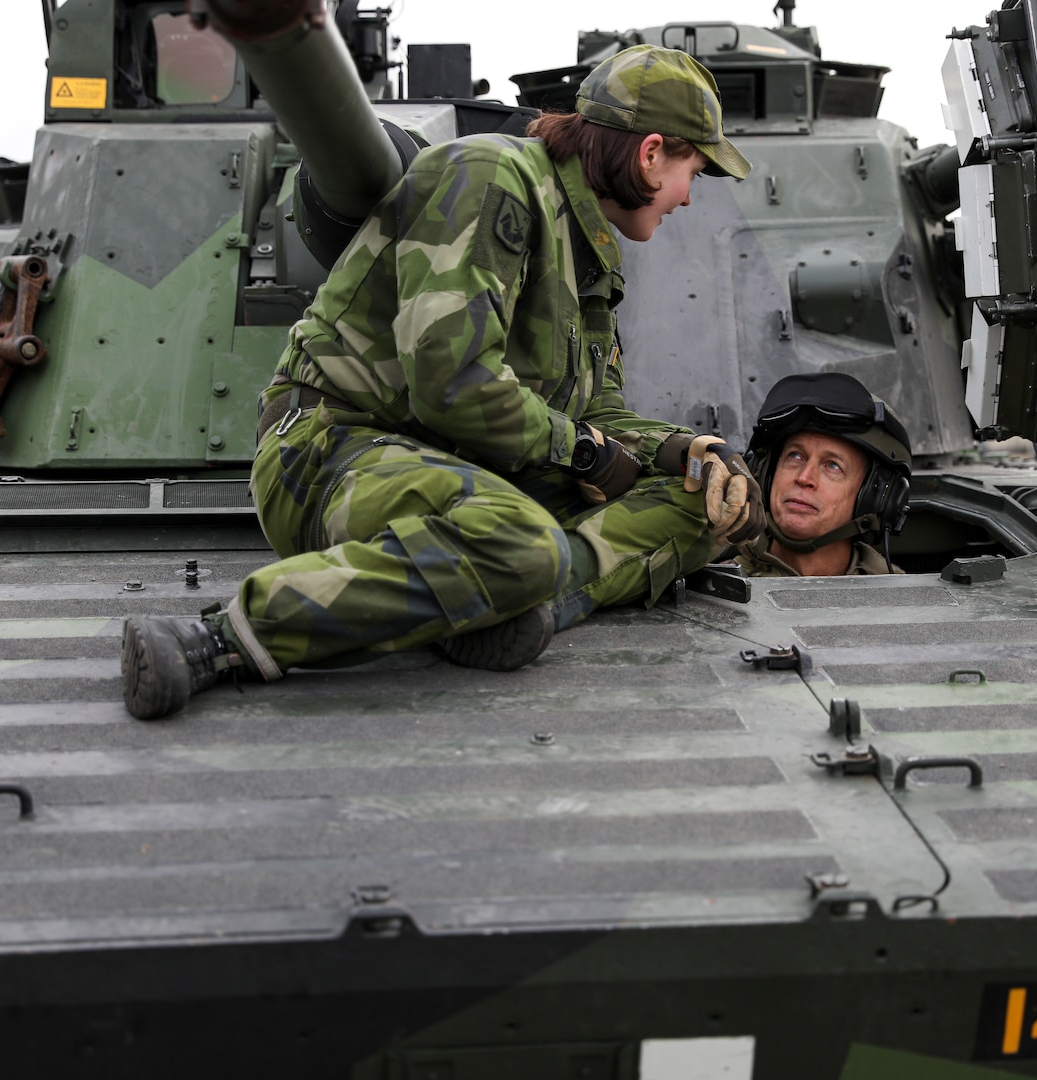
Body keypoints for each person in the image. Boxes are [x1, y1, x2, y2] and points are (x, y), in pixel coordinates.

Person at [121, 45, 764, 720]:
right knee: (520, 543)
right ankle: (215, 640)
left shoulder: (589, 253)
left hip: (466, 470)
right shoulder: (492, 176)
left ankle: (521, 605)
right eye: (696, 167)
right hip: (332, 451)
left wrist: (686, 452)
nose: (691, 194)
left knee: (698, 506)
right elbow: (451, 384)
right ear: (652, 152)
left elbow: (598, 410)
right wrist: (584, 453)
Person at [734, 371, 911, 578]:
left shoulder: (900, 602)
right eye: (795, 456)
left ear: (877, 498)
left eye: (833, 466)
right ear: (764, 475)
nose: (804, 478)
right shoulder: (714, 585)